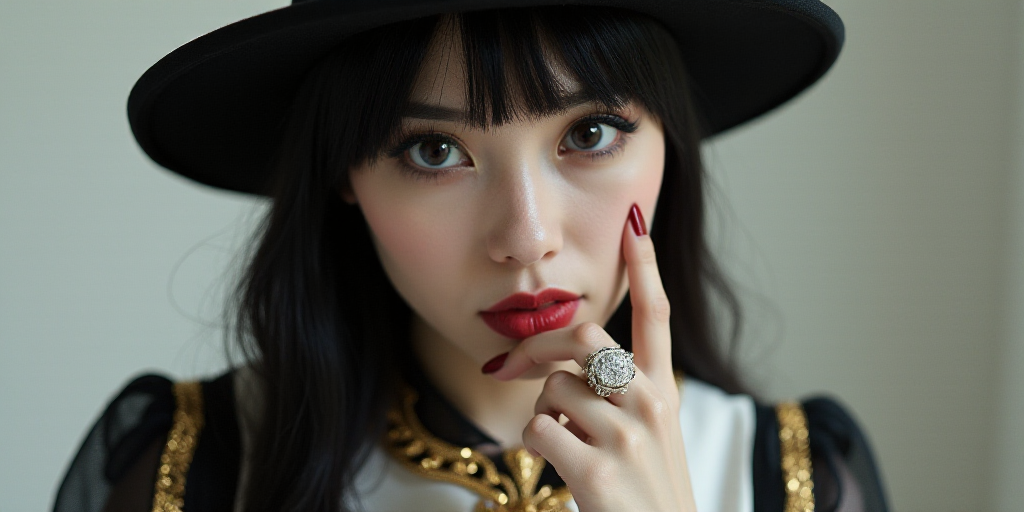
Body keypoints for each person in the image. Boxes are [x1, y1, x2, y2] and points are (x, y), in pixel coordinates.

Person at [54, 1, 889, 511]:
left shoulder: (790, 478)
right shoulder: (192, 464)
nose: (526, 237)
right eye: (431, 151)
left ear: (671, 140)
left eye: (589, 134)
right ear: (345, 175)